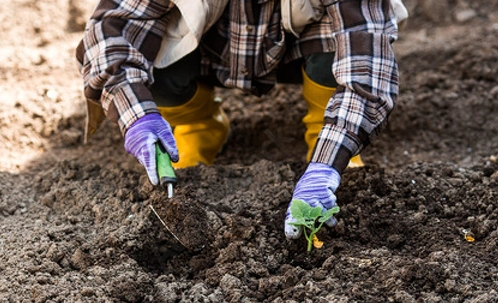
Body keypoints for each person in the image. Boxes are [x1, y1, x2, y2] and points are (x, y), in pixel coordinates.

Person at [76, 0, 407, 240]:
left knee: (341, 52)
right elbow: (111, 29)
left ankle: (327, 141)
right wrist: (137, 115)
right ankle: (196, 125)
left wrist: (326, 166)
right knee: (149, 48)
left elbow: (366, 73)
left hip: (298, 43)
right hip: (214, 47)